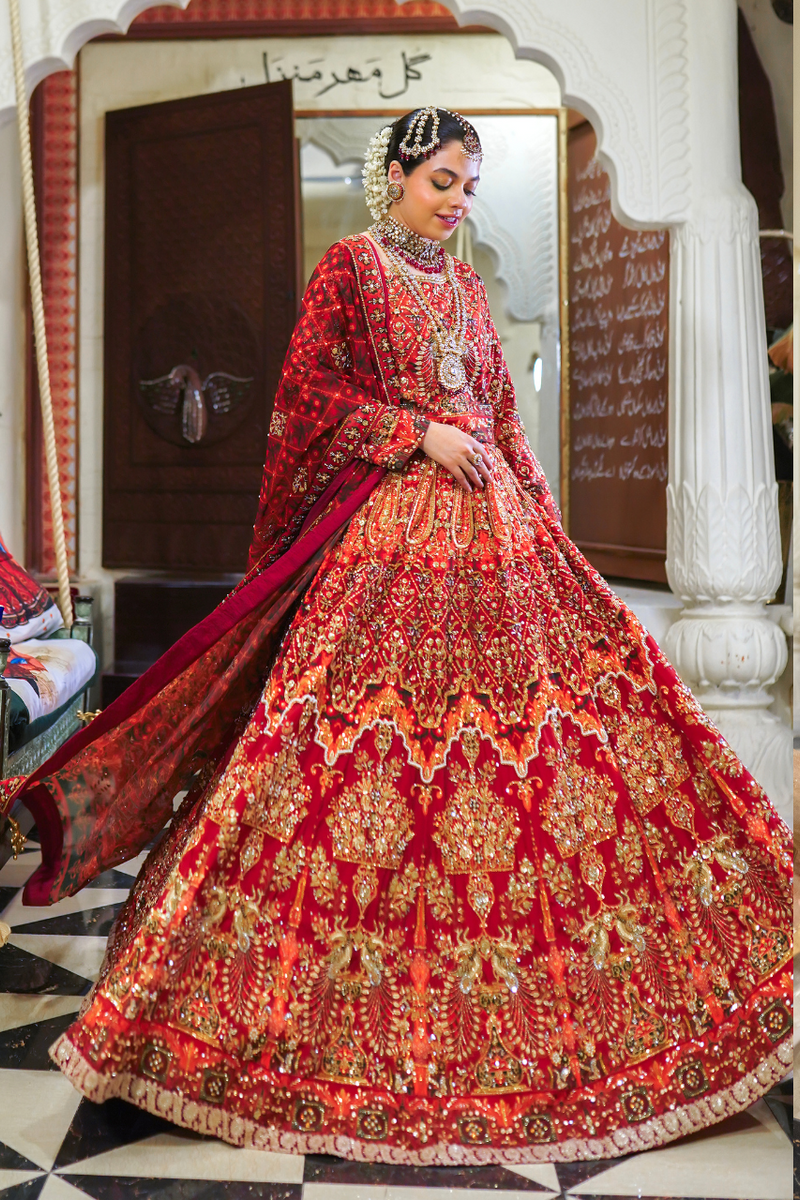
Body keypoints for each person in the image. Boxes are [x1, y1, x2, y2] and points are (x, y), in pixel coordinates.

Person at [0, 107, 791, 1166]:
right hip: (388, 546)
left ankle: (547, 1020)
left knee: (546, 766)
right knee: (338, 768)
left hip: (500, 550)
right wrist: (416, 431)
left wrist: (542, 520)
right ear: (397, 176)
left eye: (469, 187)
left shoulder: (465, 286)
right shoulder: (351, 269)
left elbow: (500, 410)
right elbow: (309, 394)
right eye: (441, 182)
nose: (457, 203)